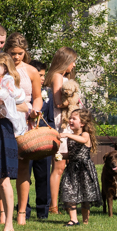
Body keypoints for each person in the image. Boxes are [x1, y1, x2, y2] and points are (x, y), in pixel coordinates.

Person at [5, 34, 47, 225]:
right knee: (1, 168)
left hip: (24, 120)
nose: (16, 57)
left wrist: (35, 110)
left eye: (20, 53)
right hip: (4, 118)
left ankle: (21, 212)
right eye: (12, 53)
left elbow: (37, 97)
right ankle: (2, 212)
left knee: (23, 166)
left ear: (25, 52)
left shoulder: (31, 71)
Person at [0, 52, 27, 231]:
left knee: (3, 177)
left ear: (4, 66)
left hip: (3, 128)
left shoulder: (7, 81)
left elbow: (18, 98)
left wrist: (2, 94)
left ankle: (9, 223)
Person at [46, 47, 80, 215]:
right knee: (59, 167)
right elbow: (59, 103)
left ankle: (64, 202)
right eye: (72, 62)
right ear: (65, 62)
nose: (73, 65)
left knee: (65, 166)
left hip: (67, 123)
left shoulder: (63, 77)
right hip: (61, 124)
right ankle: (54, 205)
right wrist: (75, 100)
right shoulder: (57, 77)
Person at [59, 108, 102, 226]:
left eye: (74, 118)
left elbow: (83, 140)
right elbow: (71, 154)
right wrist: (60, 155)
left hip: (84, 169)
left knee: (85, 195)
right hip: (72, 168)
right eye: (70, 118)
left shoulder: (85, 134)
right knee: (69, 192)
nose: (70, 120)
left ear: (82, 123)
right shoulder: (71, 136)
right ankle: (73, 219)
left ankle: (85, 221)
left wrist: (67, 134)